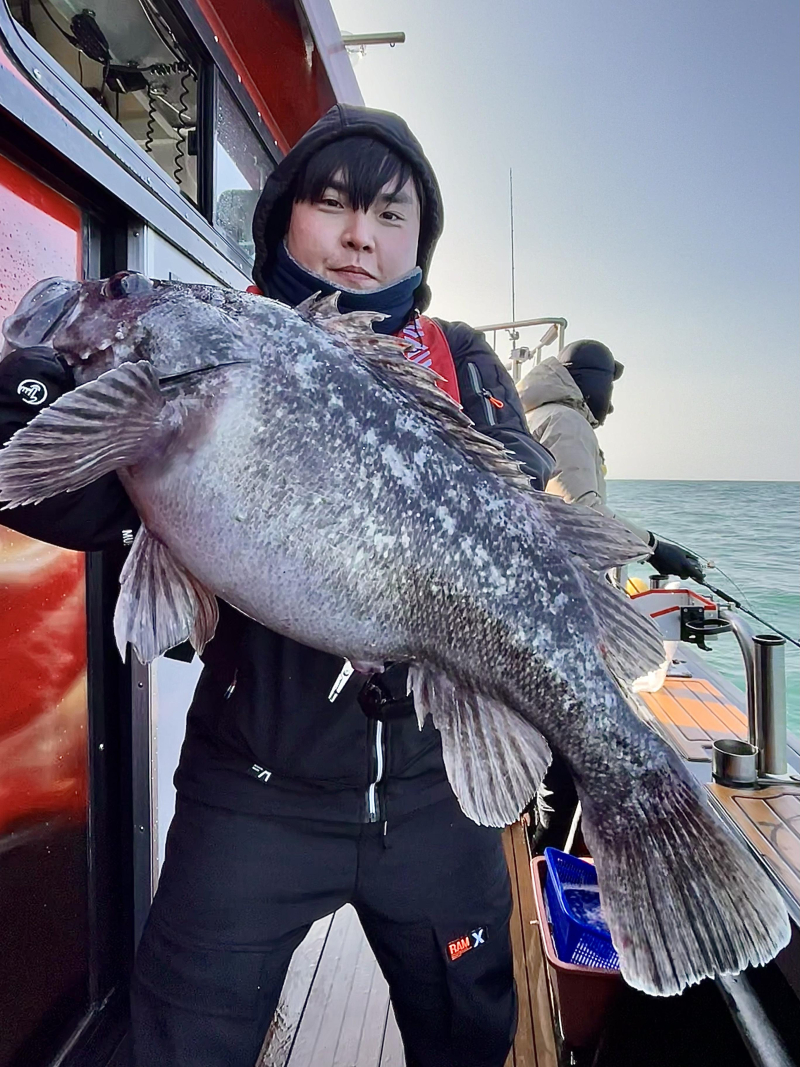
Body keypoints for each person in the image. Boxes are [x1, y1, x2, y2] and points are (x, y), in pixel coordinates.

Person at [0, 104, 556, 1067]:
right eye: (333, 204)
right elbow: (62, 495)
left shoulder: (460, 360)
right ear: (284, 217)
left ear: (420, 239)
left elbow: (518, 509)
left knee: (471, 1028)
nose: (358, 237)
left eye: (391, 217)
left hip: (432, 792)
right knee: (180, 1036)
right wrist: (51, 393)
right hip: (252, 789)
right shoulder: (213, 344)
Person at [518, 339, 704, 583]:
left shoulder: (536, 416)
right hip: (557, 575)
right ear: (591, 383)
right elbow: (581, 511)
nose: (611, 404)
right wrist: (654, 549)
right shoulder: (565, 421)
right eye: (609, 387)